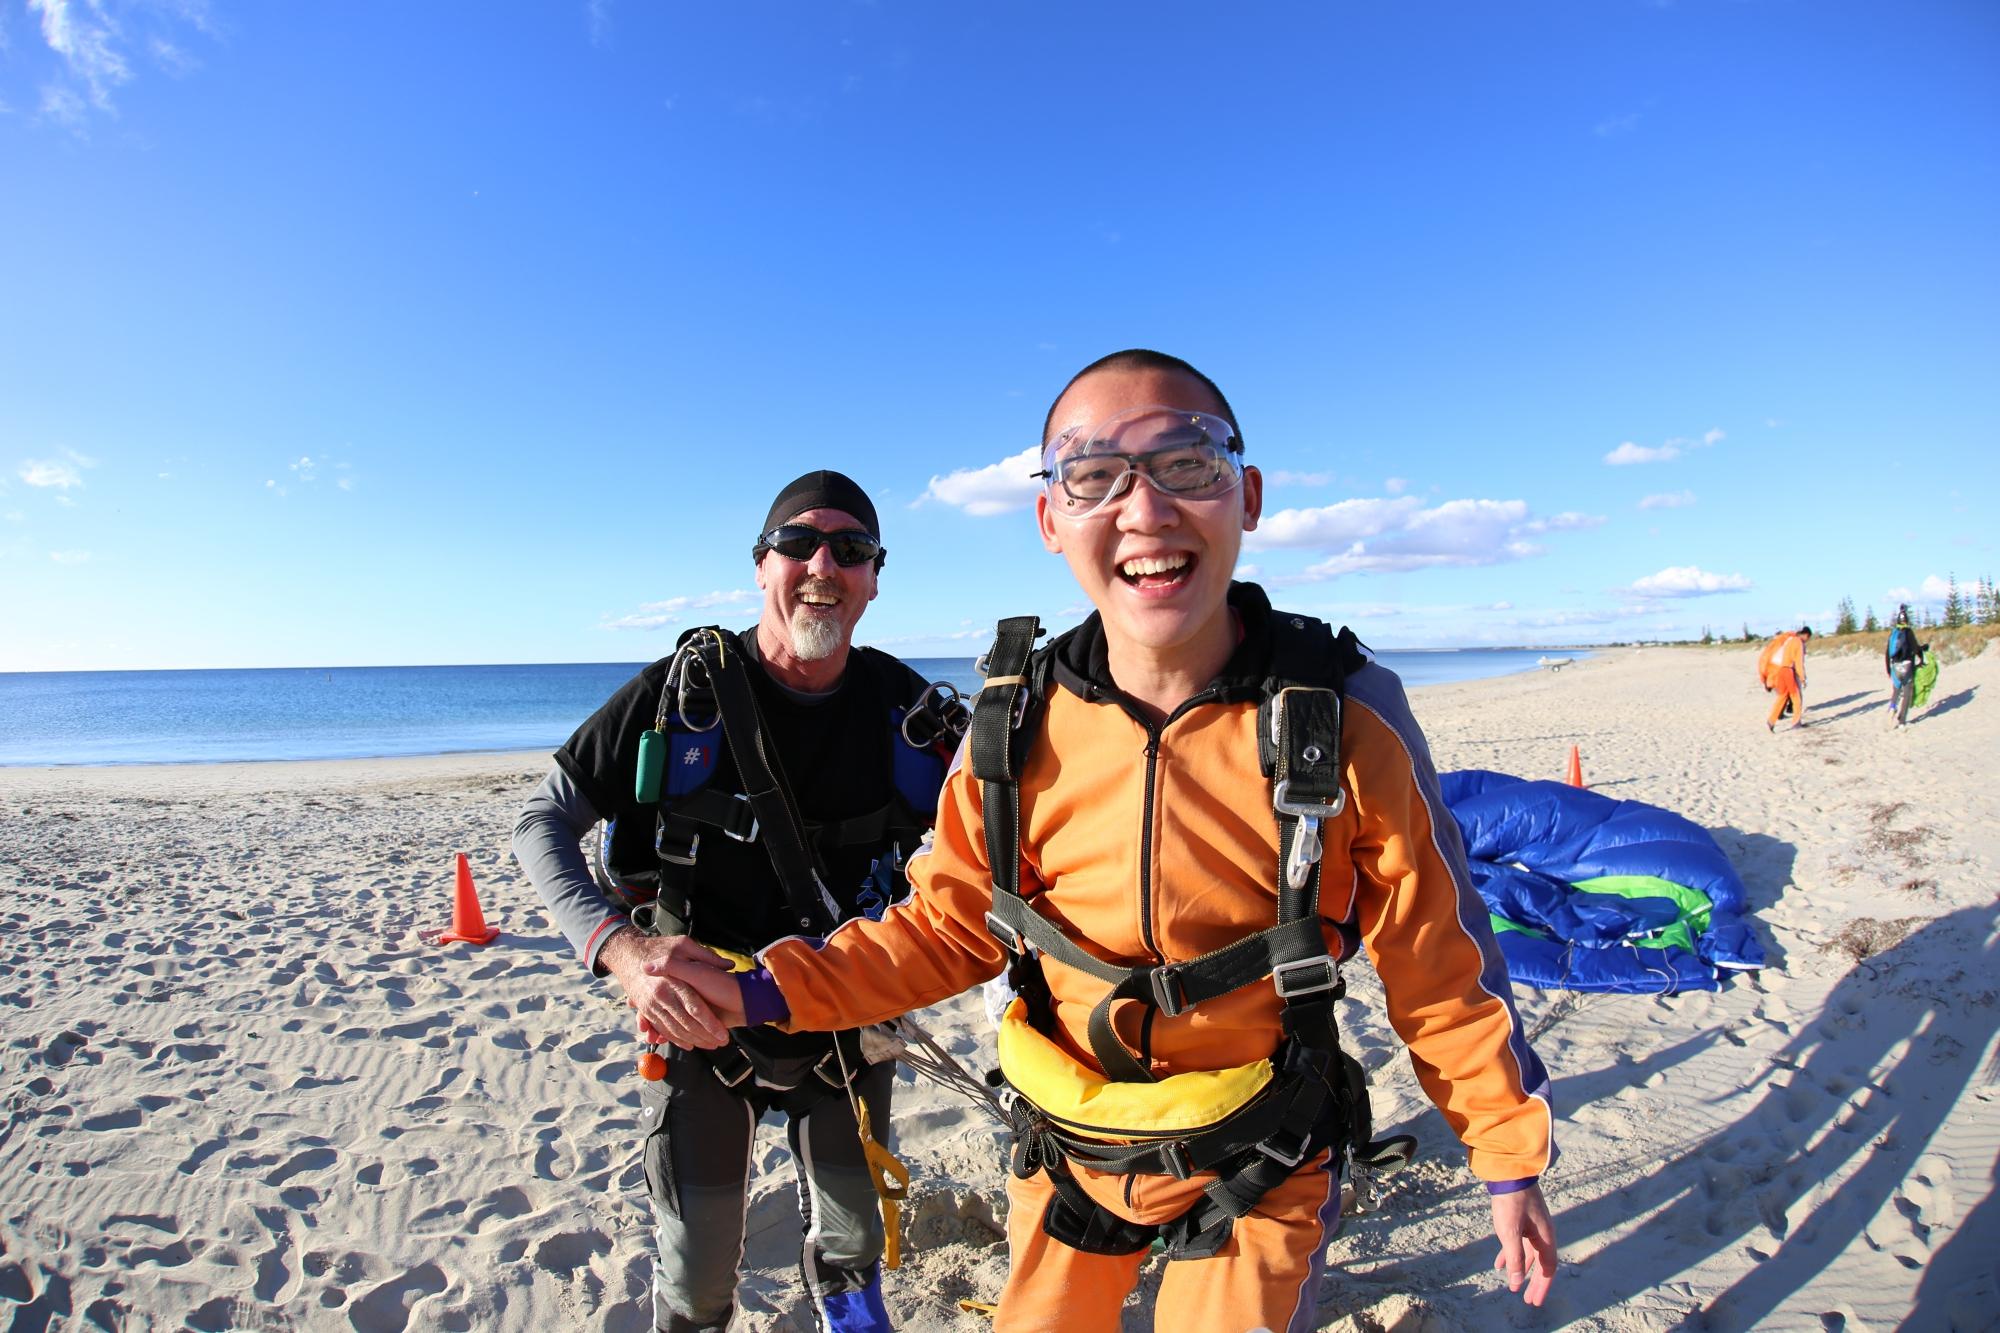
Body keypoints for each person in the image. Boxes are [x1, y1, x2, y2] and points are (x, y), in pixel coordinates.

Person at [642, 351, 1559, 1332]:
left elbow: (1436, 962)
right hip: (1068, 1154)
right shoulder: (1012, 725)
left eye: (1187, 464)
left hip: (1260, 1153)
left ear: (1245, 497)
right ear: (1049, 520)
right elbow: (942, 931)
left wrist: (1505, 1156)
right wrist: (757, 988)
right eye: (1090, 476)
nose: (1145, 508)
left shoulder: (1339, 716)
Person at [513, 470, 953, 1333]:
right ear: (761, 565)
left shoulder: (909, 712)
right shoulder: (686, 692)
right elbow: (541, 823)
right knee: (700, 1276)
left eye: (851, 549)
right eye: (799, 542)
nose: (823, 563)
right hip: (697, 1022)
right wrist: (622, 953)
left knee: (855, 1247)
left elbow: (1011, 845)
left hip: (844, 1024)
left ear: (874, 577)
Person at [1763, 626, 1812, 732]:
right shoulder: (1798, 643)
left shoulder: (1789, 640)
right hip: (1789, 671)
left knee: (1782, 696)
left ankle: (1771, 720)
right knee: (1796, 697)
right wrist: (1803, 678)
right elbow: (1799, 662)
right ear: (1806, 635)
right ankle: (1796, 723)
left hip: (1781, 670)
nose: (1807, 640)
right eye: (1808, 638)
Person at [1884, 606, 1926, 727]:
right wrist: (1923, 651)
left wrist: (1888, 670)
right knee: (1907, 692)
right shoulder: (1908, 632)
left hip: (1895, 666)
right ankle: (1902, 721)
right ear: (1907, 621)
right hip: (1907, 666)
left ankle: (1892, 707)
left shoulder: (1893, 633)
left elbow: (1888, 653)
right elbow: (1915, 648)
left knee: (1896, 690)